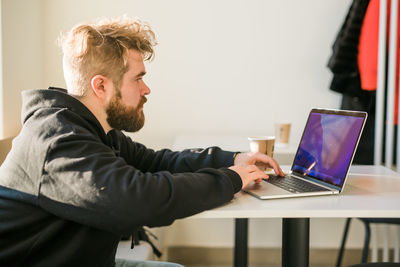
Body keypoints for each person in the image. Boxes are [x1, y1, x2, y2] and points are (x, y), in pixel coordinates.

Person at [0, 16, 284, 267]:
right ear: (101, 86)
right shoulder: (58, 141)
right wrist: (230, 179)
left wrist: (232, 160)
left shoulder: (93, 131)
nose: (146, 89)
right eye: (138, 79)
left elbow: (155, 162)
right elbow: (141, 200)